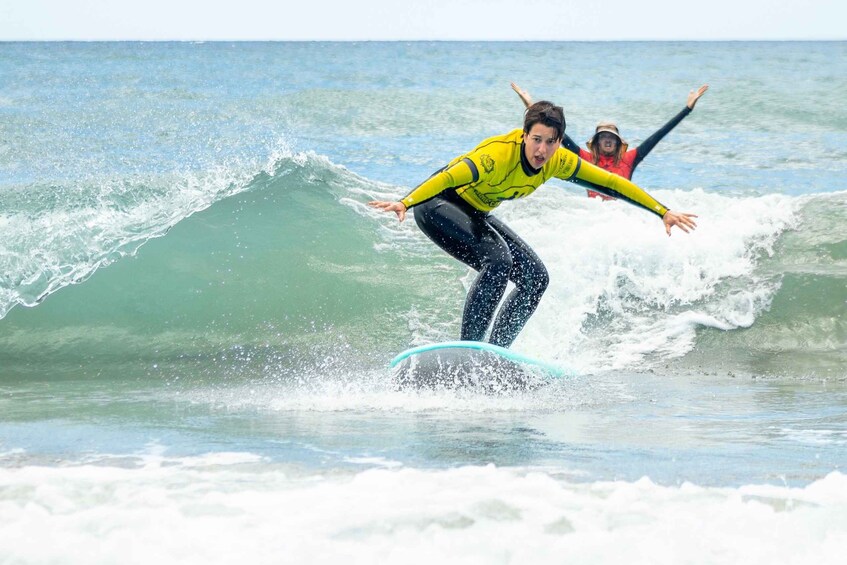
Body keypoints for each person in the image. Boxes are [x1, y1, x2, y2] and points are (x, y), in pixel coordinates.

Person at [369, 101, 697, 349]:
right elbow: (448, 177)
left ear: (558, 142)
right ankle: (468, 350)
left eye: (551, 141)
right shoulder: (497, 155)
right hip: (436, 203)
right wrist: (406, 201)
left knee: (536, 278)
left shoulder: (558, 161)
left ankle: (494, 354)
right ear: (525, 135)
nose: (542, 150)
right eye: (536, 139)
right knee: (498, 261)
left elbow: (611, 184)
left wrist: (662, 211)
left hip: (474, 212)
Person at [511, 82, 708, 199]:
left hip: (620, 216)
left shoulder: (630, 159)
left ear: (618, 142)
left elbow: (659, 134)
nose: (607, 140)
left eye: (611, 137)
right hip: (595, 216)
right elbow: (556, 132)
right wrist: (531, 104)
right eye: (602, 136)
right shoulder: (585, 158)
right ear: (596, 142)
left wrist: (687, 109)